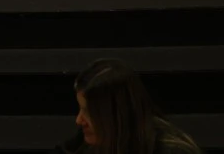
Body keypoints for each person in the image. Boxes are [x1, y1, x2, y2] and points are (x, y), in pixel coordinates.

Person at [59, 58, 203, 154]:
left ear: (116, 114)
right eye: (81, 109)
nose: (79, 120)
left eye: (89, 112)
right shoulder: (84, 145)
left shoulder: (173, 150)